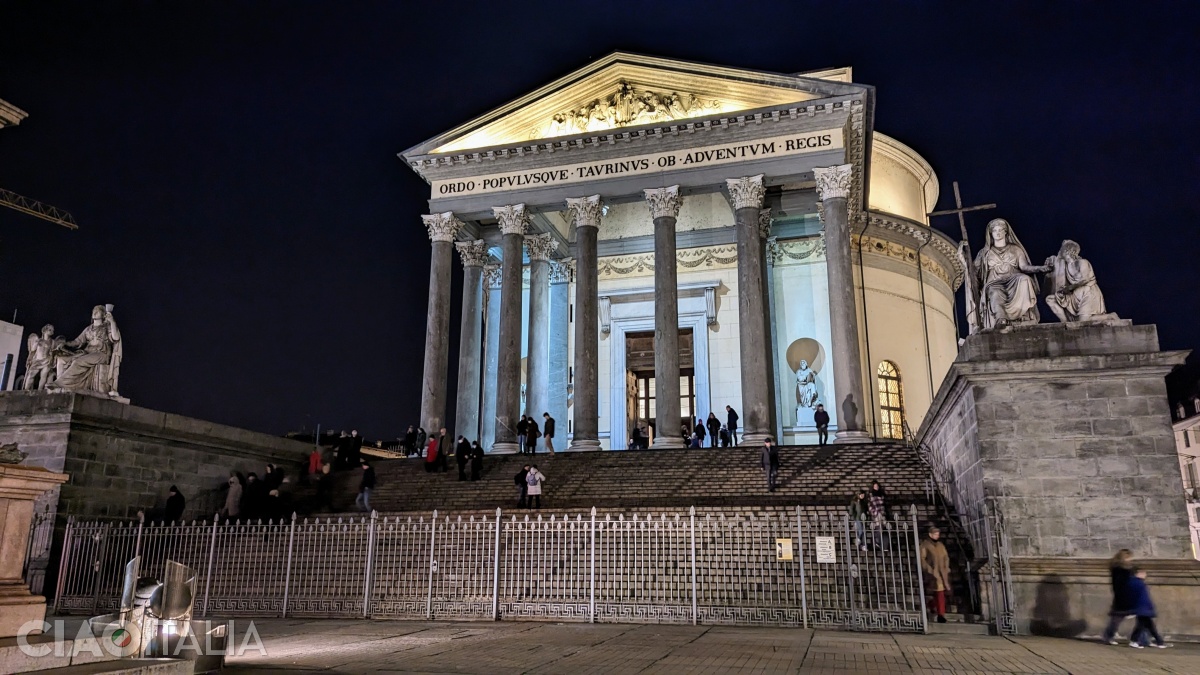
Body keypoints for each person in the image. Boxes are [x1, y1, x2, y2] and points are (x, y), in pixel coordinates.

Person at [1127, 568, 1170, 648]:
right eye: (1143, 573)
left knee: (1147, 626)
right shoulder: (1137, 583)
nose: (1145, 575)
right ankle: (1158, 642)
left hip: (1143, 608)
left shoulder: (1138, 583)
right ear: (1137, 573)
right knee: (1143, 626)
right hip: (1142, 608)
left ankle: (1159, 642)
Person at [1102, 549, 1136, 644]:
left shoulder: (1123, 569)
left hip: (1125, 596)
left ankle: (1142, 638)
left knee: (1144, 617)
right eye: (1129, 558)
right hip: (1123, 596)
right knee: (1117, 618)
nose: (1130, 560)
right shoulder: (1120, 570)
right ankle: (1108, 635)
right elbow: (1121, 584)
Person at [920, 526, 951, 624]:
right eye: (935, 534)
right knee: (939, 592)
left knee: (941, 593)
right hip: (933, 572)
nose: (937, 536)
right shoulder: (925, 545)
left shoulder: (940, 545)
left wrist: (946, 567)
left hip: (943, 572)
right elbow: (922, 559)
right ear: (930, 534)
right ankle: (940, 613)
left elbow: (946, 556)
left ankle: (936, 608)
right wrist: (929, 569)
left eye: (938, 534)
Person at [868, 481, 889, 551]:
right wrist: (875, 513)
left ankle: (884, 546)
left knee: (884, 530)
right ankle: (877, 542)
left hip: (883, 514)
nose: (876, 487)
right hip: (877, 515)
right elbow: (870, 506)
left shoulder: (881, 494)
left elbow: (884, 504)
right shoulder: (871, 495)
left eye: (877, 486)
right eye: (875, 486)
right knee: (879, 529)